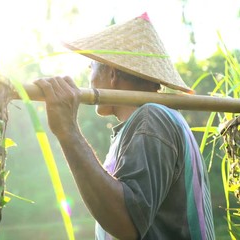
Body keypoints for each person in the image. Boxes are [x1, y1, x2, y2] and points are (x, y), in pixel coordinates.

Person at [34, 13, 215, 239]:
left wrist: (68, 132)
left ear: (112, 74)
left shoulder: (152, 118)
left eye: (91, 67)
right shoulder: (144, 124)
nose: (88, 78)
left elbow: (126, 223)